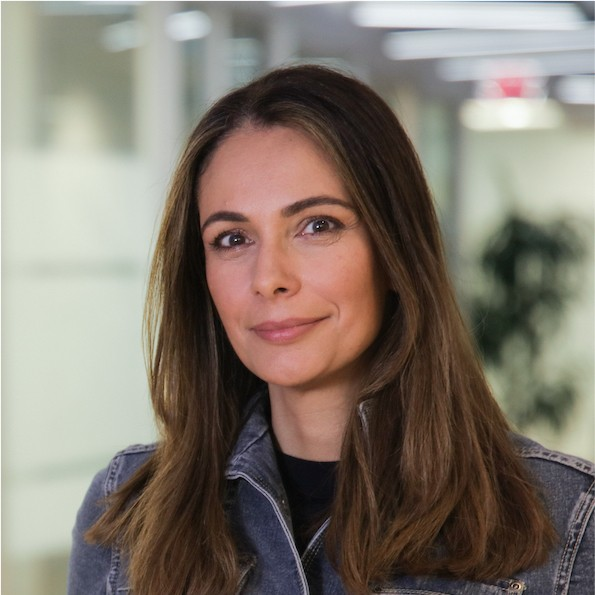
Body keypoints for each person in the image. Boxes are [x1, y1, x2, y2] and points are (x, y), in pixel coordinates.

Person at [67, 64, 594, 595]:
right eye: (232, 238)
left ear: (394, 249)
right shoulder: (127, 517)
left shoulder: (571, 520)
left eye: (317, 225)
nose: (269, 278)